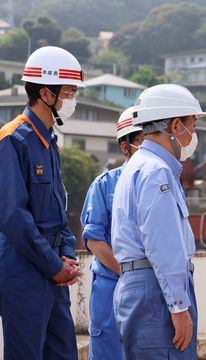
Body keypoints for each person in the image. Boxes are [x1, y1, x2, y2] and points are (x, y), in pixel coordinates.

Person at [112, 84, 206, 359]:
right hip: (156, 290)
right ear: (176, 125)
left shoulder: (137, 167)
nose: (194, 134)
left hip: (141, 285)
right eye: (193, 125)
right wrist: (178, 306)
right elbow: (162, 244)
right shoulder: (157, 172)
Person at [0, 46, 83, 359]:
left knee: (62, 353)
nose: (73, 99)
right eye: (70, 92)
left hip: (52, 271)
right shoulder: (12, 139)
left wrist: (65, 256)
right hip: (24, 270)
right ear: (46, 93)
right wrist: (53, 264)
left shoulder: (49, 143)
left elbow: (59, 211)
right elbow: (12, 216)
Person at [81, 107, 143, 359]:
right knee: (108, 351)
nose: (146, 146)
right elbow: (95, 240)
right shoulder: (104, 185)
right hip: (110, 287)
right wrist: (129, 275)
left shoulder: (163, 181)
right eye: (139, 140)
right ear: (124, 146)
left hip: (148, 289)